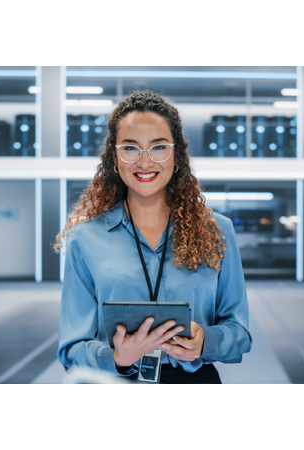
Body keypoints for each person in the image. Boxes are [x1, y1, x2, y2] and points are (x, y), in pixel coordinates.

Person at [55, 91, 252, 384]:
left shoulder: (217, 231)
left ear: (176, 156)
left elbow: (240, 333)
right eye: (131, 148)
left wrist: (205, 341)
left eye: (158, 147)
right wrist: (118, 358)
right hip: (117, 378)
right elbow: (71, 347)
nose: (145, 162)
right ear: (114, 157)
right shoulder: (85, 239)